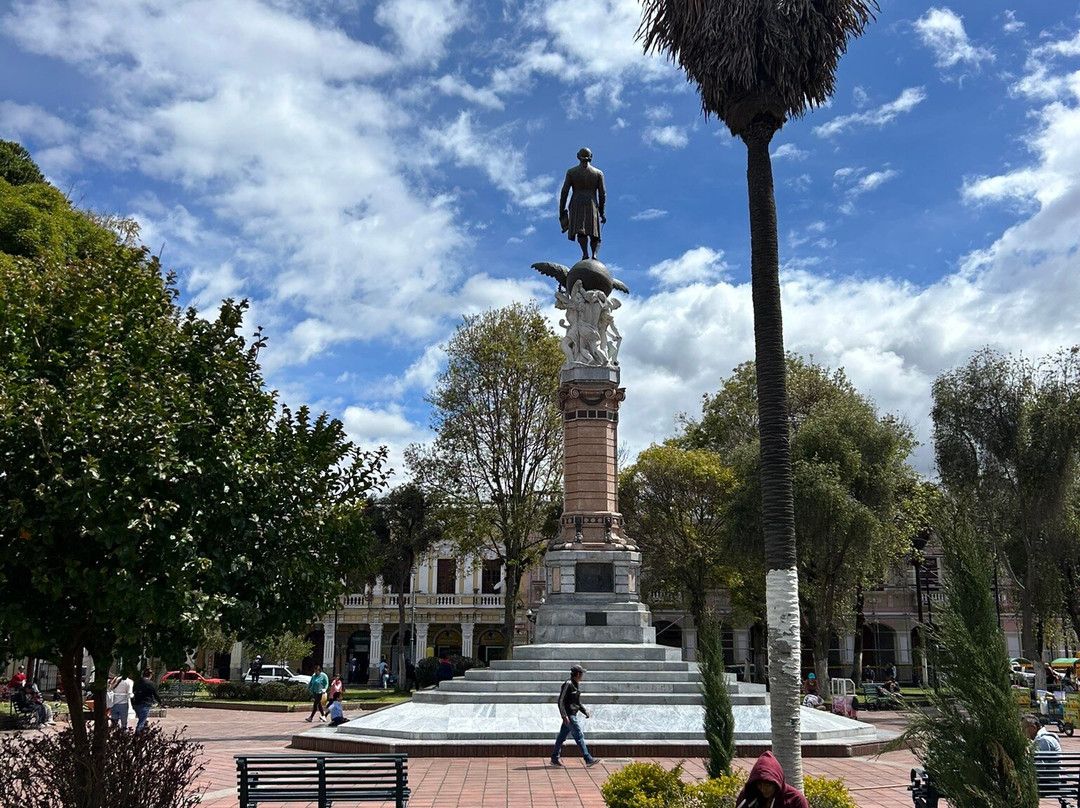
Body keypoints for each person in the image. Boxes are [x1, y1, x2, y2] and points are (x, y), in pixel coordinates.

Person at [559, 148, 606, 261]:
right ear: (591, 156)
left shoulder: (572, 172)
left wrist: (561, 210)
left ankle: (585, 253)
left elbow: (564, 191)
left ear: (577, 156)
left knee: (582, 230)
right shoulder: (598, 173)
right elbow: (602, 194)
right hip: (591, 203)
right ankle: (594, 254)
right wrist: (602, 212)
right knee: (594, 232)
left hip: (577, 202)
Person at [550, 664, 599, 767]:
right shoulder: (568, 684)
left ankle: (554, 758)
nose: (582, 676)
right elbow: (561, 701)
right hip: (569, 716)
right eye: (581, 673)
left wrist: (584, 711)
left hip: (572, 714)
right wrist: (564, 716)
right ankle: (588, 758)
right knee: (579, 735)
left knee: (561, 737)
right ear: (577, 674)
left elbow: (577, 702)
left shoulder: (576, 684)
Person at [734, 750, 809, 808]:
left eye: (767, 785)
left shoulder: (795, 800)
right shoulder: (748, 796)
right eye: (759, 785)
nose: (763, 789)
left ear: (776, 783)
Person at [132, 668, 162, 732]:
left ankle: (142, 733)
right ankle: (137, 735)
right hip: (145, 703)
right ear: (150, 675)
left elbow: (133, 691)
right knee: (142, 721)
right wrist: (160, 702)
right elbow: (155, 694)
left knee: (141, 719)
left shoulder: (137, 682)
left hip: (136, 703)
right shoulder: (150, 684)